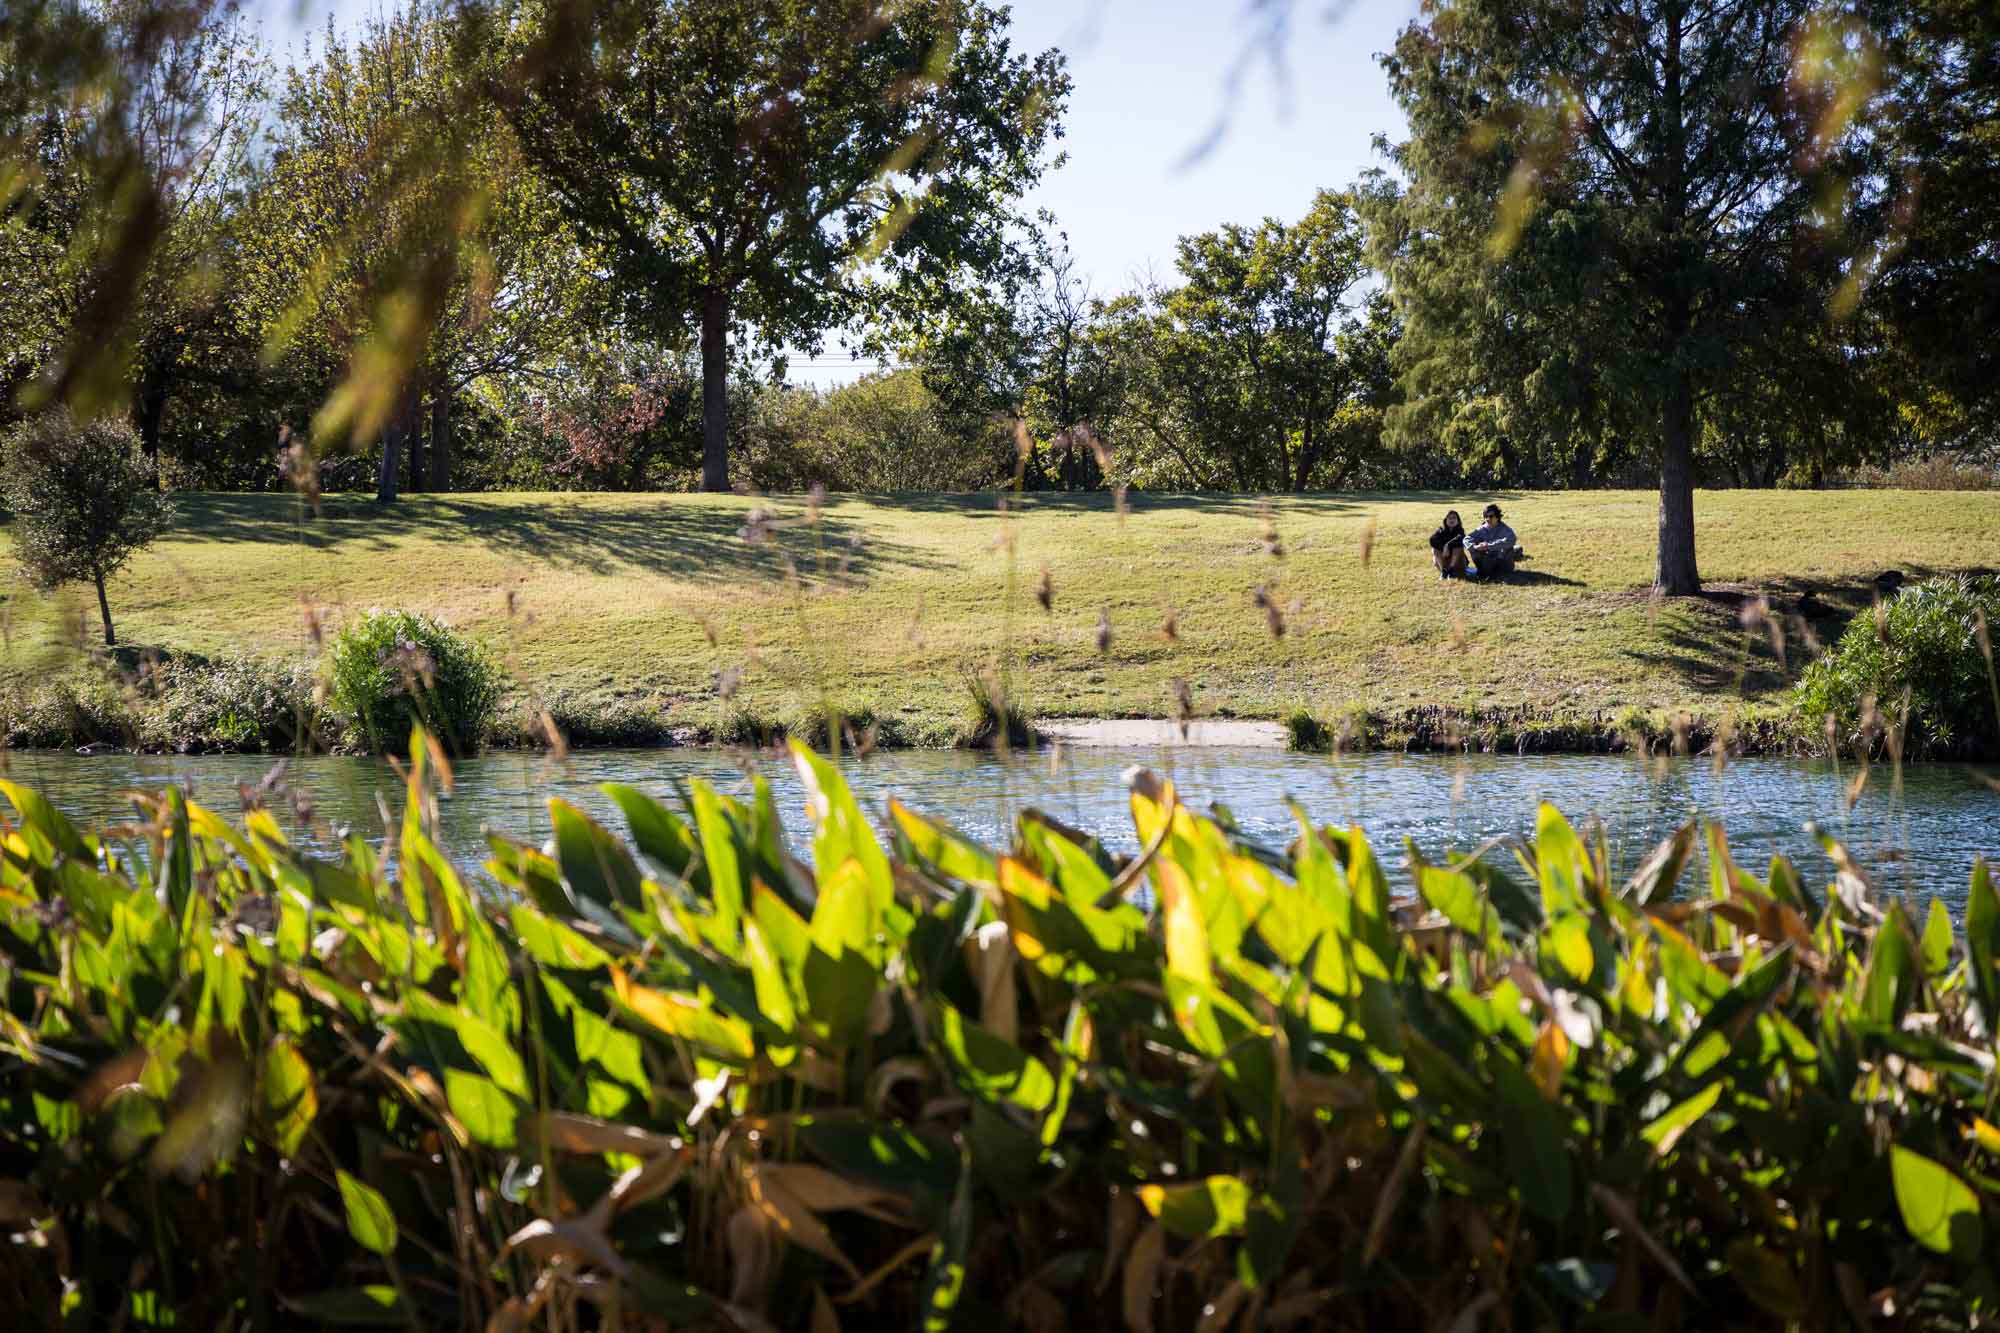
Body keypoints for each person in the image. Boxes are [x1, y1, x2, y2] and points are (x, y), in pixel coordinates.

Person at [1464, 504, 1519, 579]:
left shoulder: (1505, 529)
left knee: (1508, 548)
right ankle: (1484, 571)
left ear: (1497, 517)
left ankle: (1488, 572)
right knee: (1474, 550)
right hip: (1488, 560)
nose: (1487, 519)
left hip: (1502, 563)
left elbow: (1511, 539)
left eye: (1491, 516)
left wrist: (1489, 546)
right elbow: (1466, 539)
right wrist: (1475, 547)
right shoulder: (1482, 529)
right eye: (1485, 516)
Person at [1428, 510, 1467, 579]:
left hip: (1457, 562)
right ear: (1446, 520)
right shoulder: (1440, 530)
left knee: (1458, 548)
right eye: (1449, 518)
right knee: (1434, 549)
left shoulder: (1460, 531)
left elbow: (1461, 539)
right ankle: (1444, 571)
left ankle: (1451, 570)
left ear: (1458, 520)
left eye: (1454, 518)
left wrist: (1447, 545)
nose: (1451, 520)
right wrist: (1443, 548)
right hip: (1444, 560)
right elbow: (1432, 540)